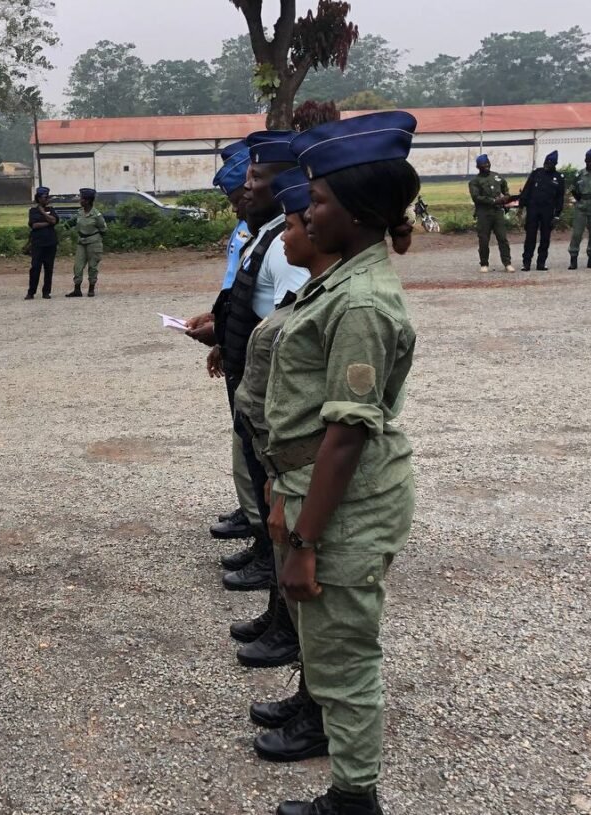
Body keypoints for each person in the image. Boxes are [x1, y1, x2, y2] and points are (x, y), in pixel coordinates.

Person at [263, 111, 420, 815]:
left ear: (356, 216)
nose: (308, 210)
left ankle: (355, 799)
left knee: (347, 656)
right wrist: (282, 495)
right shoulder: (340, 283)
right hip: (313, 485)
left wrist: (305, 541)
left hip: (346, 500)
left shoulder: (360, 300)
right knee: (326, 646)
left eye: (319, 200)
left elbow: (347, 435)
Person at [231, 166, 339, 767]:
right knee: (314, 618)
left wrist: (303, 529)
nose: (289, 229)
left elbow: (342, 430)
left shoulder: (352, 301)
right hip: (289, 467)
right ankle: (311, 700)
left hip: (312, 475)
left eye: (303, 215)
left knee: (333, 624)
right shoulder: (319, 285)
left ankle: (348, 776)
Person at [218, 132, 309, 600]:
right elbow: (243, 298)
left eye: (256, 177)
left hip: (272, 392)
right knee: (256, 474)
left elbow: (287, 328)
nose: (245, 187)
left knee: (273, 485)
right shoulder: (266, 235)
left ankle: (275, 578)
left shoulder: (283, 245)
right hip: (250, 378)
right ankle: (264, 556)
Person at [185, 142, 259, 545]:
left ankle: (259, 522)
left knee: (254, 435)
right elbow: (232, 289)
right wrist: (217, 324)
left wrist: (225, 333)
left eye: (238, 197)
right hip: (234, 334)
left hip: (249, 342)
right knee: (243, 431)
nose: (234, 207)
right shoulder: (245, 228)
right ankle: (251, 510)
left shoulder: (272, 234)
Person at [518, 151, 565, 271]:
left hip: (548, 211)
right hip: (533, 208)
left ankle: (541, 263)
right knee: (530, 237)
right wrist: (521, 206)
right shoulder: (536, 173)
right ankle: (526, 262)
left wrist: (557, 215)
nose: (547, 165)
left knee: (545, 237)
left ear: (554, 164)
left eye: (550, 163)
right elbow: (527, 189)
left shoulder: (558, 178)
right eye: (546, 162)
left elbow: (560, 197)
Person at [468, 154, 515, 273]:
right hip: (484, 213)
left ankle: (507, 263)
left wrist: (507, 197)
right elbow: (476, 197)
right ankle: (484, 263)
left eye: (488, 164)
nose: (487, 166)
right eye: (484, 165)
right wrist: (493, 201)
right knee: (483, 239)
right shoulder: (474, 181)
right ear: (478, 166)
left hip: (498, 212)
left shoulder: (497, 176)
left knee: (502, 238)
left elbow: (505, 189)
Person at [66, 187, 107, 297]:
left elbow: (103, 229)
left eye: (82, 199)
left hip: (94, 242)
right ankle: (77, 289)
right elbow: (70, 223)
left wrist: (96, 239)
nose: (80, 201)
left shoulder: (96, 215)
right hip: (81, 242)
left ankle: (91, 288)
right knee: (78, 266)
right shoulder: (80, 213)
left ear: (88, 201)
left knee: (93, 266)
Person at [26, 186, 59, 299]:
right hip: (38, 244)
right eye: (45, 197)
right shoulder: (33, 211)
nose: (47, 199)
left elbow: (55, 220)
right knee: (35, 268)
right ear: (39, 198)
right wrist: (49, 222)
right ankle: (31, 292)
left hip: (50, 243)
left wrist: (44, 214)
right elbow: (34, 225)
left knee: (48, 268)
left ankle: (46, 292)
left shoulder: (51, 209)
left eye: (48, 197)